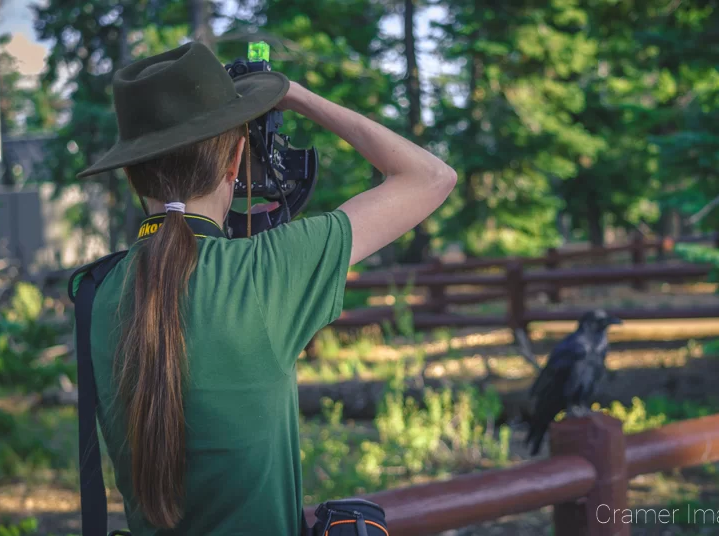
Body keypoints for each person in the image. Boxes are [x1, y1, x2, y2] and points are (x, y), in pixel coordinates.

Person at [73, 41, 456, 535]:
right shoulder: (268, 272)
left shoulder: (95, 294)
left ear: (130, 173)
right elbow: (431, 176)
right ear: (235, 162)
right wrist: (291, 93)